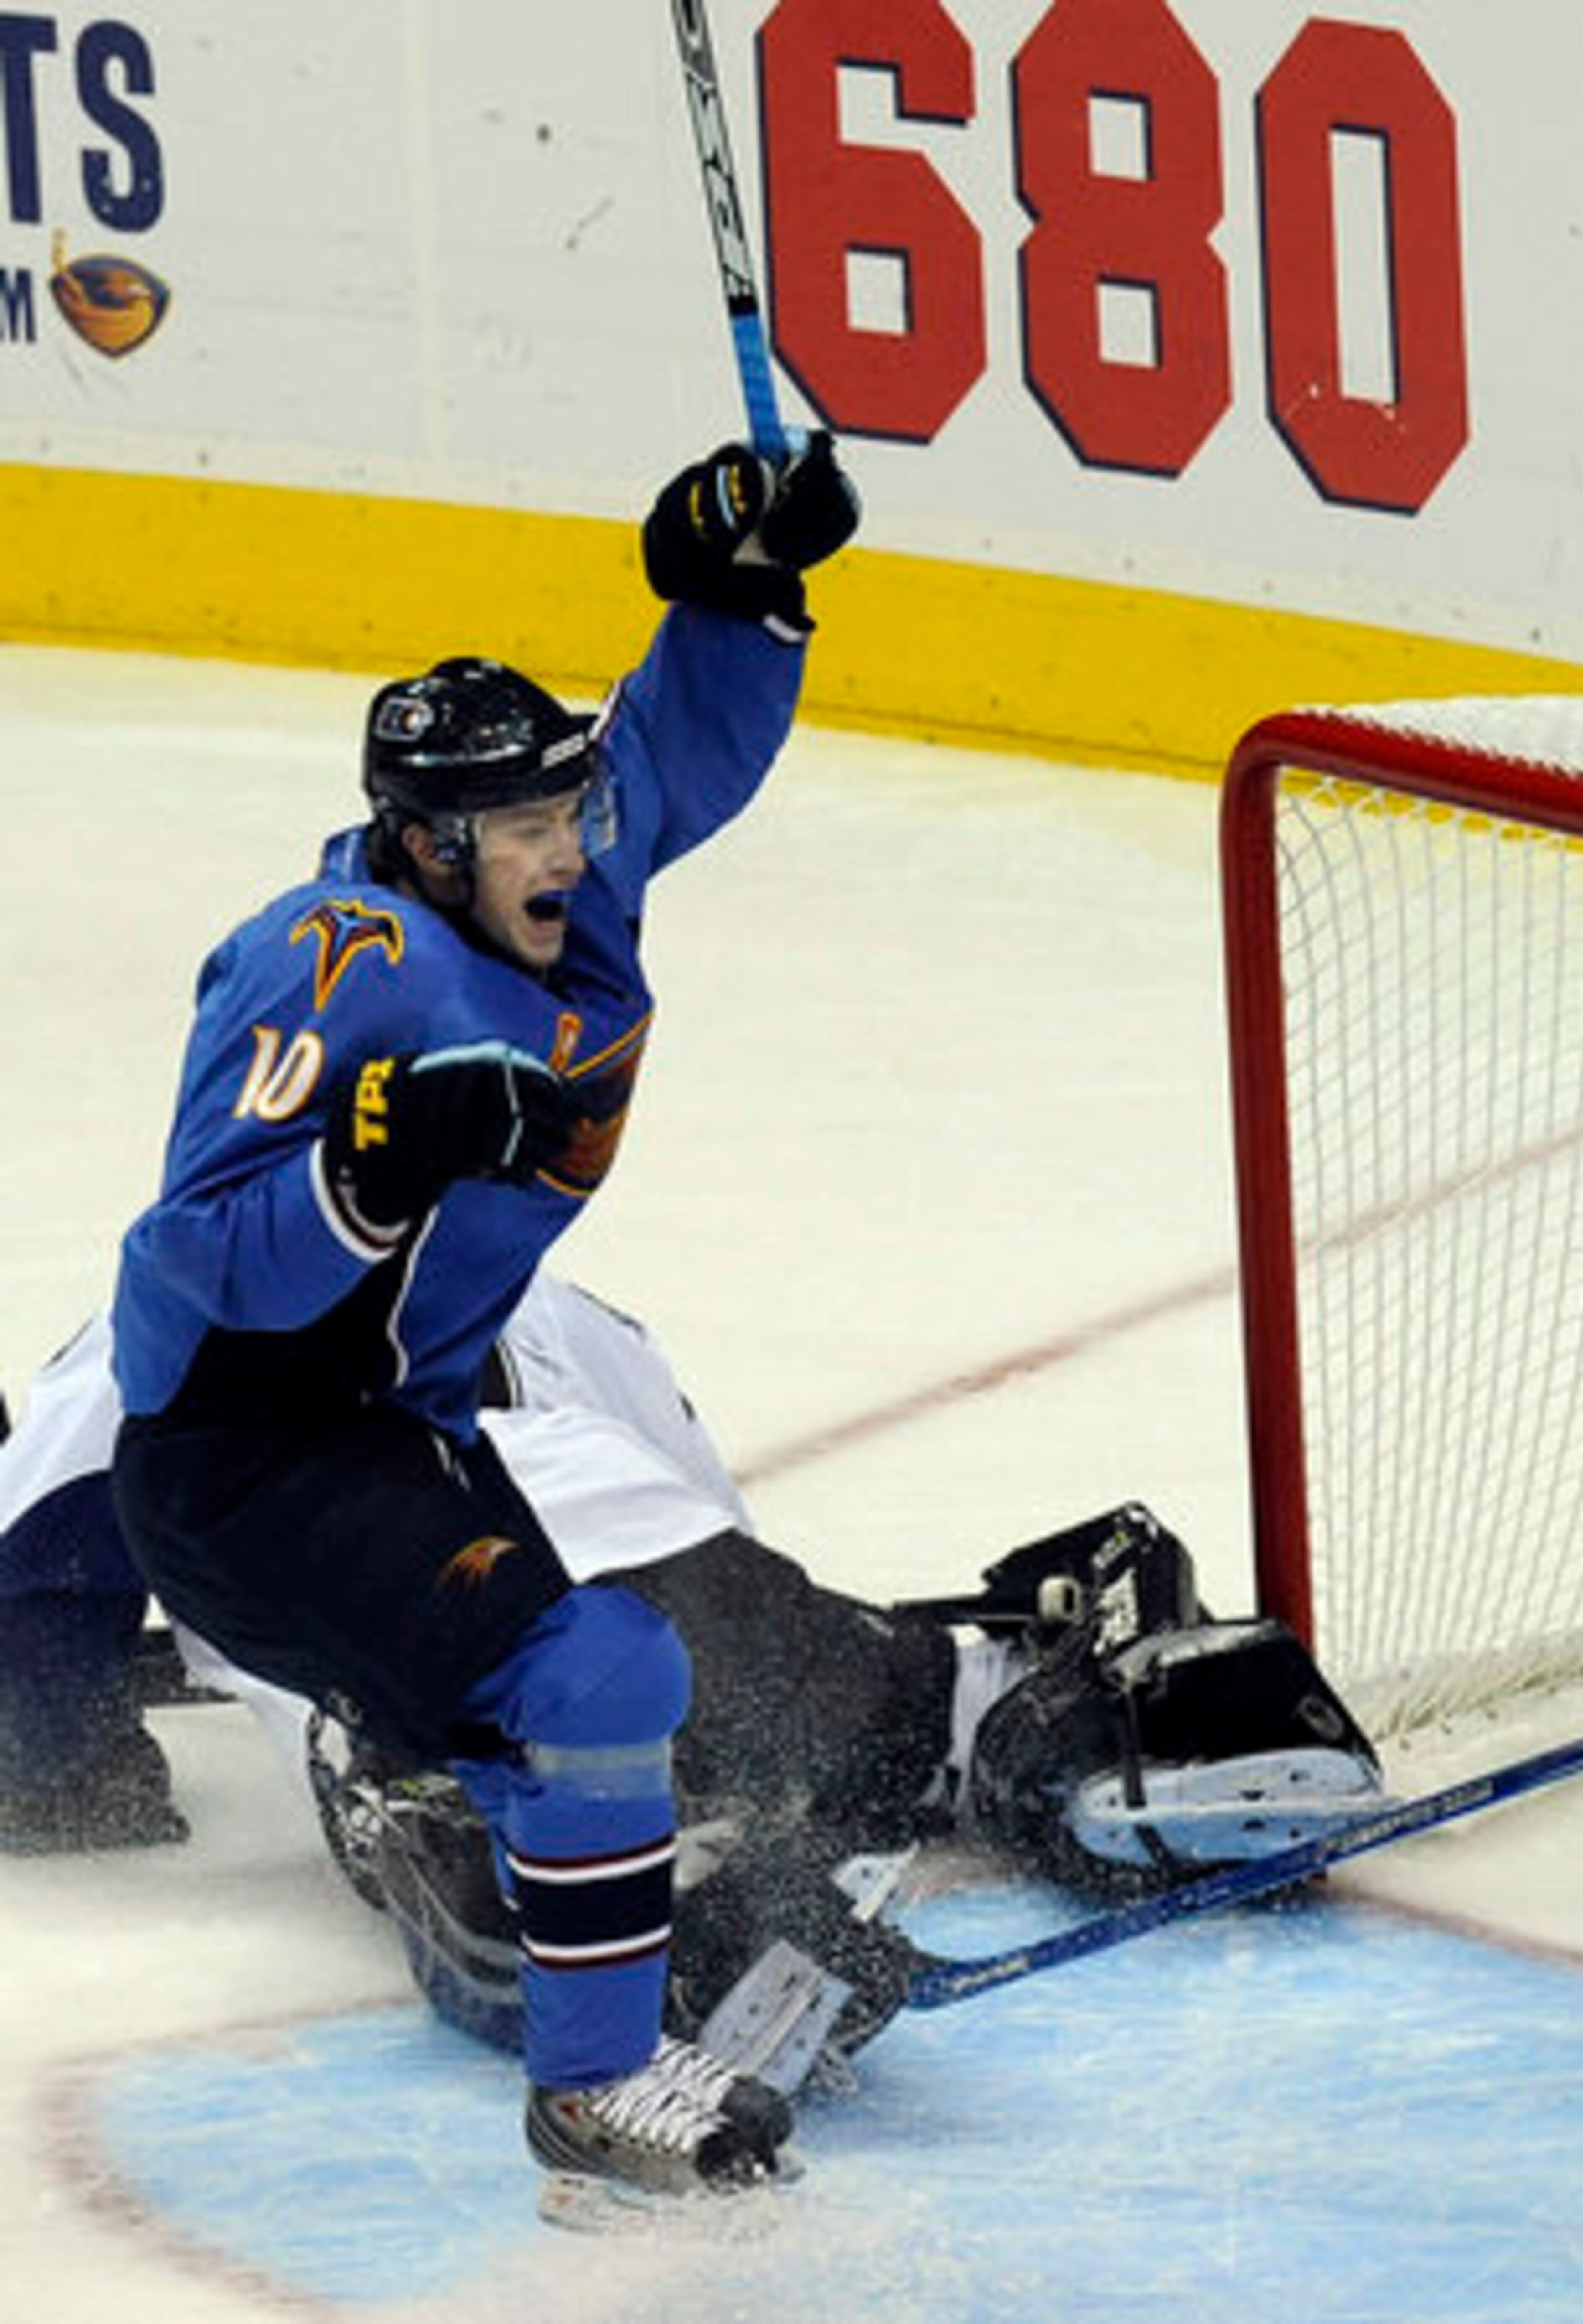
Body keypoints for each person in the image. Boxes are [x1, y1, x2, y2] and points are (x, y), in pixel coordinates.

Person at [95, 431, 862, 2205]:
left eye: (564, 812)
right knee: (603, 1673)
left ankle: (515, 1913)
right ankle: (591, 2095)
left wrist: (740, 593)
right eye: (526, 825)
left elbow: (671, 758)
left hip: (396, 1431)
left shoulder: (557, 884)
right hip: (241, 1463)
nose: (569, 849)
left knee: (577, 1721)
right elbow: (186, 1265)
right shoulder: (330, 964)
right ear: (433, 848)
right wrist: (372, 1171)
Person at [0, 1274, 1386, 2094]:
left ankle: (648, 1911)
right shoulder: (563, 1291)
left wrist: (75, 1763)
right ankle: (1062, 1719)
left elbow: (25, 1656)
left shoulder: (158, 1328)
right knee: (876, 1700)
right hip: (655, 1560)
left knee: (440, 1788)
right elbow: (721, 1555)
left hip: (425, 1641)